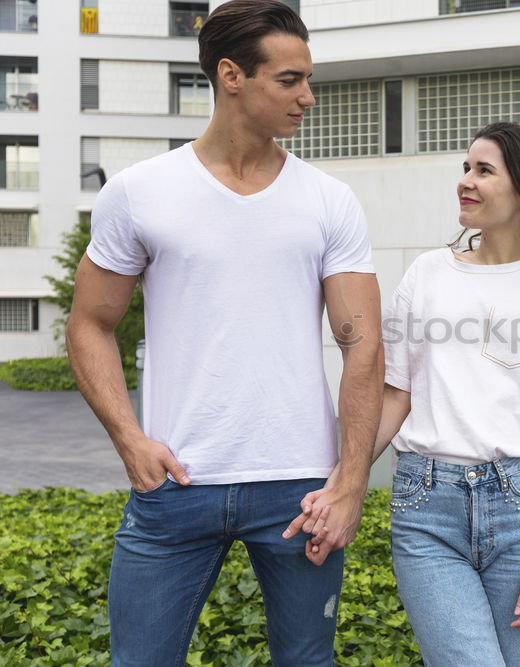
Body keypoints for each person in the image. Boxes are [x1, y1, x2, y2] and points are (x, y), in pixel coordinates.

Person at [65, 1, 383, 665]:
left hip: (300, 489)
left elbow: (363, 343)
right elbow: (90, 322)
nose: (308, 97)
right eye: (290, 80)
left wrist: (351, 481)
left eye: (307, 79)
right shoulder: (139, 192)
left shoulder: (329, 200)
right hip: (175, 484)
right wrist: (130, 439)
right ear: (232, 76)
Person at [289, 122, 520, 665]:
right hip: (427, 510)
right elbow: (396, 397)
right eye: (466, 168)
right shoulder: (427, 275)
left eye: (484, 171)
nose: (465, 181)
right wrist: (341, 486)